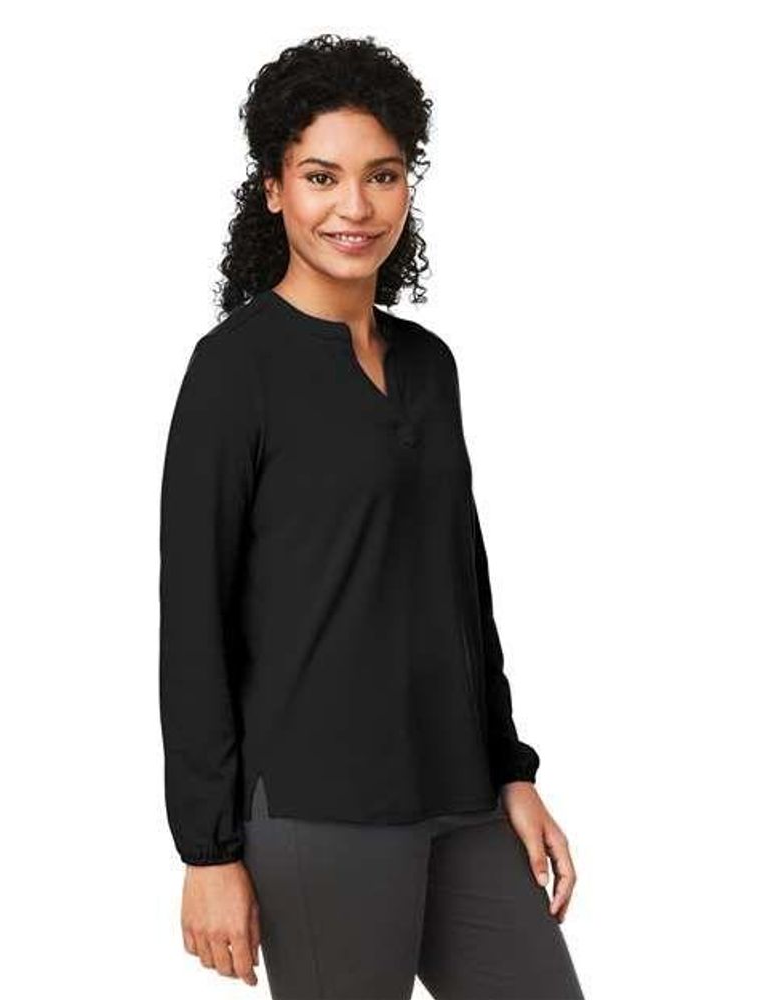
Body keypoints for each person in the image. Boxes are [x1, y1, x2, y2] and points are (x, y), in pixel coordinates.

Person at [159, 32, 585, 1000]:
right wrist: (207, 849)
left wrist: (509, 768)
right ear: (273, 189)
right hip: (321, 806)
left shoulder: (428, 364)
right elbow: (193, 623)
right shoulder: (234, 371)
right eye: (321, 176)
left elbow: (459, 585)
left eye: (382, 175)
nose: (353, 206)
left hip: (459, 793)